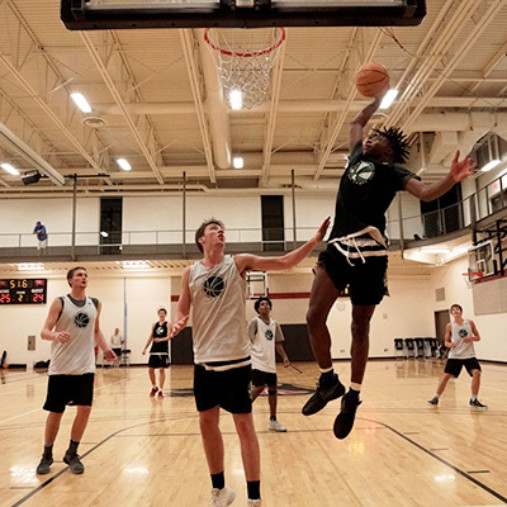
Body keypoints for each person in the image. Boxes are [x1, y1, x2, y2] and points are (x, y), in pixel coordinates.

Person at [302, 94, 477, 440]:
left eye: (377, 138)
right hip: (338, 246)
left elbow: (425, 193)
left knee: (359, 327)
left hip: (372, 253)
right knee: (312, 316)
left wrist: (452, 180)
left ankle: (352, 395)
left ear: (390, 151)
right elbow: (356, 123)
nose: (369, 139)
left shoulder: (393, 171)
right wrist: (376, 98)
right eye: (370, 137)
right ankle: (327, 381)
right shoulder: (355, 157)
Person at [171, 217, 329, 507]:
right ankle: (220, 491)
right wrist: (178, 322)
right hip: (204, 362)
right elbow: (182, 308)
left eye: (222, 229)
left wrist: (313, 241)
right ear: (201, 240)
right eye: (213, 230)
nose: (220, 231)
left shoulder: (238, 262)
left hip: (235, 361)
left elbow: (283, 262)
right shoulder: (189, 273)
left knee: (245, 428)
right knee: (207, 424)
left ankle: (254, 498)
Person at [36, 266, 116, 475]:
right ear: (70, 280)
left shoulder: (95, 304)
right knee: (56, 412)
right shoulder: (60, 302)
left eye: (86, 275)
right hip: (61, 367)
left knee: (85, 410)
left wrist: (106, 348)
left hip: (85, 366)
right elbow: (44, 331)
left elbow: (96, 331)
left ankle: (72, 452)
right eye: (79, 275)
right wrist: (55, 336)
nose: (84, 278)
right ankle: (47, 454)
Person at [427, 304, 487, 408]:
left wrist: (471, 339)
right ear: (451, 313)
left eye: (457, 309)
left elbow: (478, 337)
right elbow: (446, 342)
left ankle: (474, 399)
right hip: (455, 355)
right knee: (446, 377)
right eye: (453, 310)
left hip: (469, 355)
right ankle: (436, 397)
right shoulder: (450, 326)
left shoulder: (470, 323)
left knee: (477, 373)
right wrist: (451, 344)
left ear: (461, 312)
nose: (455, 311)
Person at [248, 297, 290, 432]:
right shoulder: (254, 322)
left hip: (270, 362)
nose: (265, 306)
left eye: (267, 304)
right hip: (256, 360)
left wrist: (284, 357)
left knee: (273, 390)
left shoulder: (274, 323)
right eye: (262, 304)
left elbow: (277, 343)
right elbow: (246, 340)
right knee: (259, 386)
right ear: (257, 308)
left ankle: (273, 420)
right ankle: (242, 410)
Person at [142, 308, 171, 399]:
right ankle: (154, 387)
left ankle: (161, 390)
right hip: (154, 349)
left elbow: (169, 336)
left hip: (163, 350)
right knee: (150, 370)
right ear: (158, 314)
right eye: (160, 313)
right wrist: (145, 348)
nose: (161, 314)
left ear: (165, 315)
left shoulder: (168, 324)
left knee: (161, 370)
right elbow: (151, 336)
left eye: (163, 313)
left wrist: (161, 339)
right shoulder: (154, 325)